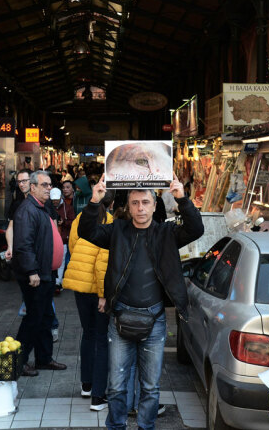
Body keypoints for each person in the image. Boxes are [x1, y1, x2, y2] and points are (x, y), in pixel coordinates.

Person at [79, 174, 204, 430]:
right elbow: (87, 231)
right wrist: (95, 201)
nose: (140, 208)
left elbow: (196, 229)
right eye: (135, 203)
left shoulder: (166, 233)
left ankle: (145, 427)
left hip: (156, 320)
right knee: (116, 385)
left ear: (154, 205)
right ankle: (116, 426)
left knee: (150, 386)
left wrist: (182, 198)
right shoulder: (117, 231)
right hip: (121, 318)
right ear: (128, 206)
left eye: (145, 202)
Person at [12, 170, 67, 376]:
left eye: (50, 185)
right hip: (35, 275)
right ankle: (20, 360)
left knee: (45, 316)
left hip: (47, 272)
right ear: (32, 187)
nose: (48, 188)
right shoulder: (28, 209)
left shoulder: (42, 207)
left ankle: (44, 358)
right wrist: (32, 271)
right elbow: (23, 245)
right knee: (33, 318)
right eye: (44, 185)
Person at [62, 190, 113, 411]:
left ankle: (86, 384)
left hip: (79, 283)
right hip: (97, 287)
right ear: (110, 205)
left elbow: (73, 247)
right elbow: (103, 263)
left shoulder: (80, 219)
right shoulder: (110, 222)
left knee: (88, 332)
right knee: (102, 338)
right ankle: (98, 396)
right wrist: (103, 294)